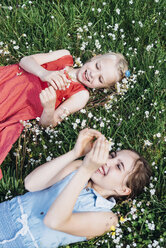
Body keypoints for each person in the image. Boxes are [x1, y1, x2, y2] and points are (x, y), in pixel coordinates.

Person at [0, 128, 151, 248]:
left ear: (123, 190)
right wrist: (75, 154)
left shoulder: (108, 219)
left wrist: (86, 170)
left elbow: (54, 222)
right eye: (111, 156)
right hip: (6, 213)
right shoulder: (78, 168)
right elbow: (31, 184)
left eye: (119, 166)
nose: (107, 162)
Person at [0, 49, 128, 178]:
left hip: (20, 106)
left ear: (102, 87)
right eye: (97, 66)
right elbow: (25, 61)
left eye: (100, 79)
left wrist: (49, 108)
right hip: (10, 80)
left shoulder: (81, 95)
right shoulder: (64, 56)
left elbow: (48, 124)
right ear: (95, 58)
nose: (92, 74)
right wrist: (43, 73)